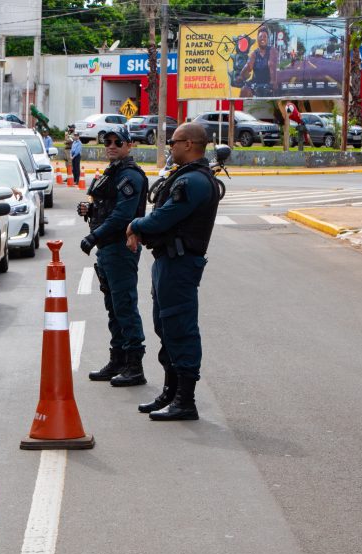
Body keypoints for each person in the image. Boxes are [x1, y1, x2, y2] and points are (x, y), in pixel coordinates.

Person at [125, 123, 221, 421]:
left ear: (190, 144)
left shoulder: (194, 182)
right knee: (165, 327)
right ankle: (170, 391)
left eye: (174, 142)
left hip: (180, 264)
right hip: (167, 261)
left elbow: (163, 218)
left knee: (180, 328)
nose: (171, 147)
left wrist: (136, 225)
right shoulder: (185, 177)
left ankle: (185, 400)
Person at [77, 125, 148, 386]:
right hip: (107, 249)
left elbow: (122, 216)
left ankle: (134, 366)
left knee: (125, 306)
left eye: (118, 142)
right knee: (113, 307)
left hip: (120, 247)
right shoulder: (113, 172)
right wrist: (90, 209)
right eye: (107, 141)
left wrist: (93, 236)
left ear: (129, 145)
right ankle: (118, 359)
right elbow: (106, 206)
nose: (111, 145)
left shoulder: (130, 175)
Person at [239, 28, 277, 98]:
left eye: (265, 36)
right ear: (257, 39)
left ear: (267, 39)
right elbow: (249, 65)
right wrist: (241, 76)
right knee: (244, 90)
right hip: (256, 83)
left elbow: (271, 64)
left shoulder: (272, 50)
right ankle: (242, 108)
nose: (262, 38)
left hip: (268, 84)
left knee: (270, 95)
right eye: (260, 37)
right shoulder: (254, 53)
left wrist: (273, 81)